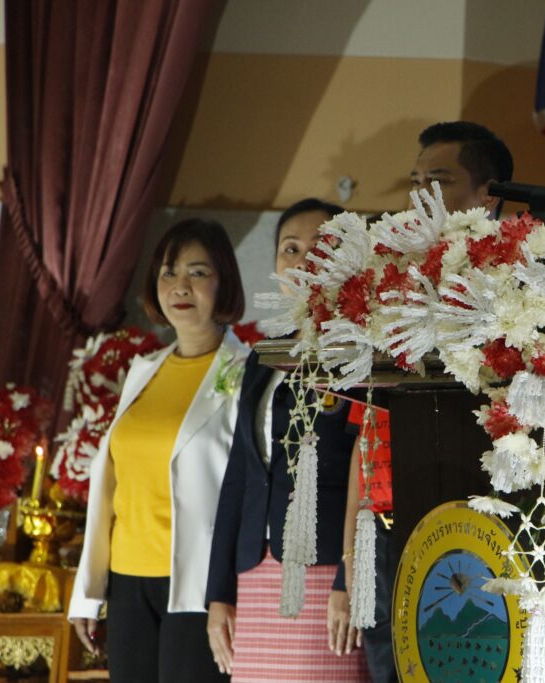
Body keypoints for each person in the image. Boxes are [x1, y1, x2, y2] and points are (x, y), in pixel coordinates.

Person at [336, 122, 516, 683]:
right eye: (414, 181)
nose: (419, 195)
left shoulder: (515, 288)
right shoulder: (390, 288)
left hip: (476, 531)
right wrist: (349, 558)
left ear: (488, 195)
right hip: (385, 529)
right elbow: (367, 433)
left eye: (437, 180)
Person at [68, 219, 250, 683]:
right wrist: (87, 593)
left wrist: (229, 590)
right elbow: (110, 488)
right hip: (127, 582)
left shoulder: (249, 373)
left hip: (199, 585)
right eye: (169, 273)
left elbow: (249, 492)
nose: (180, 286)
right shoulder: (143, 370)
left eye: (198, 272)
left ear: (225, 282)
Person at [205, 198, 372, 682]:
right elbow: (240, 477)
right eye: (291, 249)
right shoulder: (264, 357)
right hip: (255, 575)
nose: (302, 262)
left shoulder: (363, 353)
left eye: (321, 247)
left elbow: (368, 468)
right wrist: (220, 592)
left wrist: (350, 577)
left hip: (325, 569)